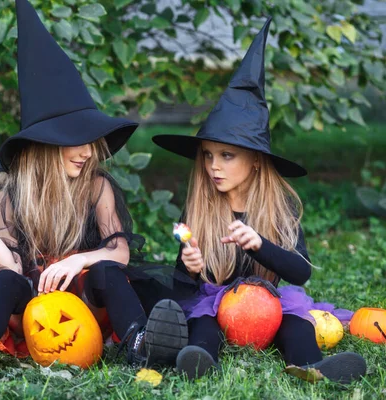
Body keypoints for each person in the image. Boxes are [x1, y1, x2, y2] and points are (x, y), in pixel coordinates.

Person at [0, 0, 188, 383]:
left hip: (90, 309)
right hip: (36, 314)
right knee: (5, 282)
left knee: (106, 269)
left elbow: (120, 251)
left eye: (92, 140)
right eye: (77, 140)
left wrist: (79, 261)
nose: (89, 151)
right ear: (45, 144)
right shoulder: (8, 197)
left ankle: (140, 343)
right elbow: (9, 268)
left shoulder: (96, 186)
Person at [152, 17, 367, 384]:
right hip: (219, 303)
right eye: (207, 155)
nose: (213, 166)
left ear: (255, 161)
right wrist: (190, 266)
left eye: (226, 156)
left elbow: (301, 272)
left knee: (295, 316)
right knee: (202, 317)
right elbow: (183, 290)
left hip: (268, 304)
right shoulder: (201, 209)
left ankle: (311, 366)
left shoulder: (278, 207)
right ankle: (202, 359)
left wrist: (260, 244)